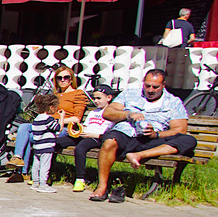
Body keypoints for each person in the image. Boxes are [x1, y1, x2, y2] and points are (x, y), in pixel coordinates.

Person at [88, 69, 198, 202]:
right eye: (147, 85)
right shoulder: (130, 94)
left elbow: (179, 129)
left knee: (188, 140)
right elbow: (108, 113)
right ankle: (102, 186)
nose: (150, 90)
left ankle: (138, 155)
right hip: (126, 134)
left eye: (155, 87)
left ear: (164, 85)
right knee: (110, 140)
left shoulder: (173, 102)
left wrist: (156, 134)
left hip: (149, 141)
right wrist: (127, 114)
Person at [10, 65, 88, 180]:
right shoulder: (55, 95)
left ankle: (24, 172)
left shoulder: (78, 94)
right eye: (59, 78)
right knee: (24, 127)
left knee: (31, 136)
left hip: (62, 127)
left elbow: (77, 119)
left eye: (66, 77)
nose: (62, 80)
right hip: (47, 125)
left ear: (71, 79)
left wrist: (56, 121)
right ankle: (18, 159)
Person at [54, 85, 120, 193]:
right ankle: (49, 173)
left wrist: (91, 135)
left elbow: (109, 133)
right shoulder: (93, 112)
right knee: (56, 143)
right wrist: (78, 131)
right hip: (84, 135)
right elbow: (85, 125)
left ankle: (80, 179)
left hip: (96, 138)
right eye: (94, 98)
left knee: (80, 148)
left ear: (109, 98)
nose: (95, 101)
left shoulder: (112, 113)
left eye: (99, 98)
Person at [27, 94, 63, 193]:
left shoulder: (37, 118)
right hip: (46, 147)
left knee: (36, 165)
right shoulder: (48, 119)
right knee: (45, 166)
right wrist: (62, 117)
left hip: (37, 146)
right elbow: (58, 128)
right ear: (51, 107)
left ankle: (35, 182)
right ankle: (43, 184)